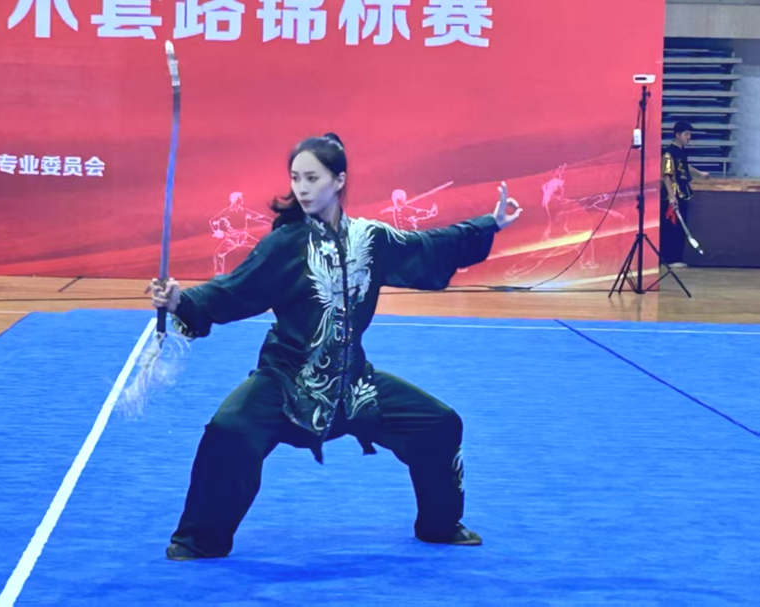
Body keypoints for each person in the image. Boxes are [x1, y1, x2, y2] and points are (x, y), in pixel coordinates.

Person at [149, 133, 522, 561]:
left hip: (354, 386)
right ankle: (199, 540)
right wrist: (181, 302)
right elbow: (234, 289)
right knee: (229, 430)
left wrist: (489, 224)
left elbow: (428, 245)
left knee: (440, 423)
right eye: (295, 178)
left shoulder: (371, 239)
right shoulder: (284, 245)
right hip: (285, 381)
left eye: (312, 178)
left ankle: (440, 525)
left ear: (339, 180)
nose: (302, 188)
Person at [661, 121, 710, 266]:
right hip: (674, 193)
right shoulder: (668, 153)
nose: (689, 137)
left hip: (683, 192)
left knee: (681, 227)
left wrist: (700, 173)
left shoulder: (681, 152)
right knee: (672, 227)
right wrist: (671, 196)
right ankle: (669, 258)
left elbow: (685, 166)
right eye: (686, 134)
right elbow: (666, 176)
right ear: (678, 135)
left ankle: (677, 258)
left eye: (690, 135)